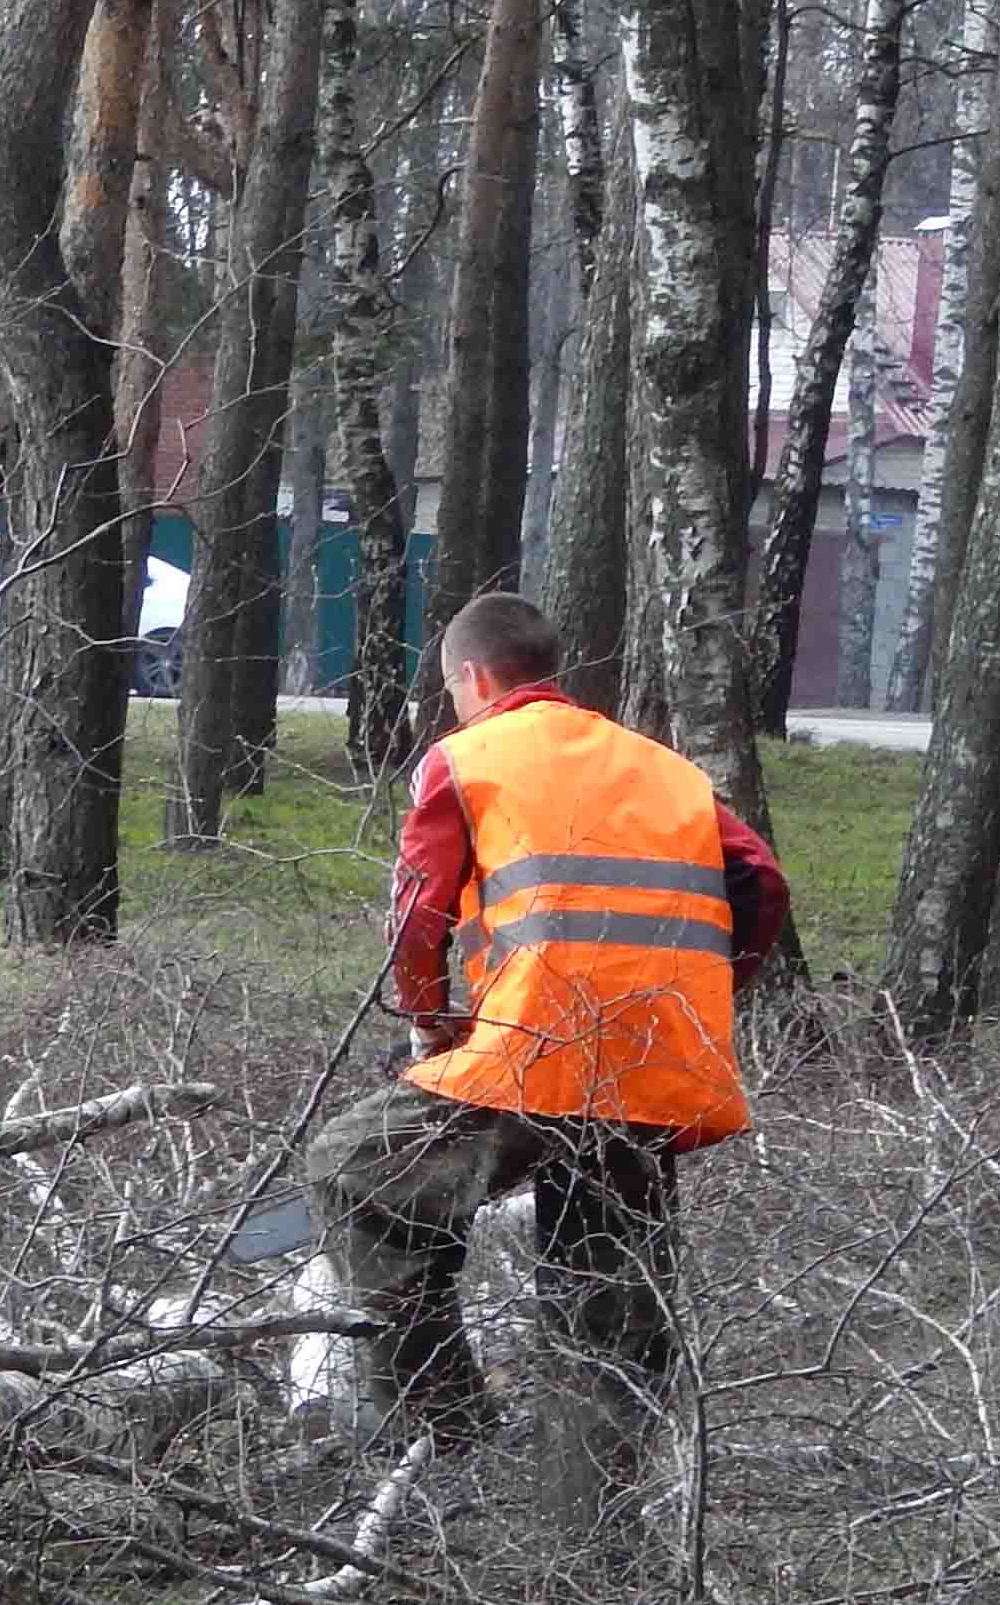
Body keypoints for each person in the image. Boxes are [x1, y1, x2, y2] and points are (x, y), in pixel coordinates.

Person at [308, 587, 793, 1469]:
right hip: (656, 1061)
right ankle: (590, 1545)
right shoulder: (665, 768)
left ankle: (443, 1442)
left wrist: (429, 1028)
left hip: (537, 1051)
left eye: (454, 691)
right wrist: (695, 1000)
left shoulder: (468, 757)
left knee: (357, 1171)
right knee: (608, 1297)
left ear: (473, 676)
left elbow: (416, 918)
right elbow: (759, 878)